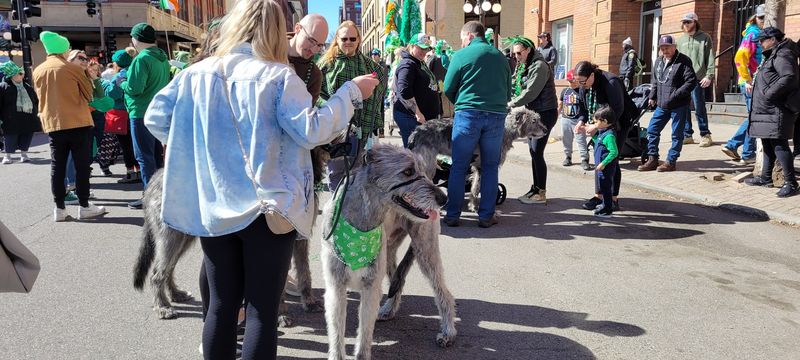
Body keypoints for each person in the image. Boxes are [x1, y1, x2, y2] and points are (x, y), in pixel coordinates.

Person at [143, 0, 379, 357]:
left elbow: (157, 119)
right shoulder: (279, 76)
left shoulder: (196, 74)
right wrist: (351, 94)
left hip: (216, 203)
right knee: (261, 311)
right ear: (278, 30)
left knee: (221, 308)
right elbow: (312, 130)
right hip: (268, 207)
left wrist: (205, 151)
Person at [32, 31, 107, 221]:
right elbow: (89, 95)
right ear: (63, 49)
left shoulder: (38, 70)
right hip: (77, 121)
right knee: (82, 166)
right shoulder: (71, 69)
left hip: (53, 123)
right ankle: (84, 206)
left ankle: (59, 209)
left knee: (57, 167)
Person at [442, 21, 510, 228]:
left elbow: (448, 88)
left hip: (468, 115)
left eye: (463, 38)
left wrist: (462, 102)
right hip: (496, 116)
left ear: (469, 36)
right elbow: (508, 92)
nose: (462, 42)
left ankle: (453, 214)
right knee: (490, 166)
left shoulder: (461, 55)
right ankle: (486, 215)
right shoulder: (500, 56)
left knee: (459, 166)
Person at [317, 20, 387, 188]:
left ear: (358, 40)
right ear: (337, 40)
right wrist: (333, 110)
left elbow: (380, 87)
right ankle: (337, 210)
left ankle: (352, 211)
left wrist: (369, 118)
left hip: (362, 130)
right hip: (335, 131)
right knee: (337, 173)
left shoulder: (370, 65)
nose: (348, 42)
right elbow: (315, 94)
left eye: (352, 39)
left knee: (359, 173)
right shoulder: (325, 65)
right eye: (344, 39)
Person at [572, 61, 637, 212]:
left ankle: (613, 198)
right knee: (600, 159)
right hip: (598, 126)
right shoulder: (584, 86)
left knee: (611, 160)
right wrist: (581, 121)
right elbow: (583, 106)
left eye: (583, 81)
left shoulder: (611, 82)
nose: (581, 85)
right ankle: (598, 196)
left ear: (592, 75)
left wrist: (596, 126)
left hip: (617, 125)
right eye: (578, 81)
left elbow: (617, 109)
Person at [743, 27, 799, 198]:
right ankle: (766, 177)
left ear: (773, 39)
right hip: (767, 110)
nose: (759, 44)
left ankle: (791, 183)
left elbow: (788, 77)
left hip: (776, 109)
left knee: (780, 145)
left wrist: (769, 94)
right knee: (767, 143)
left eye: (762, 40)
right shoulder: (773, 54)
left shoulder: (783, 54)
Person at [505, 35, 558, 205]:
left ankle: (540, 192)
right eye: (514, 54)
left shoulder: (540, 66)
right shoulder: (525, 65)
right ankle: (535, 189)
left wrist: (510, 104)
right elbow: (515, 86)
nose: (516, 57)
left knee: (537, 152)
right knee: (533, 152)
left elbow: (531, 92)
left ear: (528, 50)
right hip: (534, 113)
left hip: (545, 113)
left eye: (519, 53)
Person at [122, 22, 170, 209]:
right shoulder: (162, 58)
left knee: (144, 157)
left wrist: (123, 83)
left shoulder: (142, 59)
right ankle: (161, 194)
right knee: (157, 157)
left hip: (141, 112)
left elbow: (135, 88)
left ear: (136, 39)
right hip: (158, 112)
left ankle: (149, 198)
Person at [638, 34, 697, 172]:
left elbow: (691, 81)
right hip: (662, 104)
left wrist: (675, 95)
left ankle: (671, 161)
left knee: (677, 134)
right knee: (652, 130)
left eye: (668, 47)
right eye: (662, 48)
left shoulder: (683, 61)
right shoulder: (658, 61)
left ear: (674, 47)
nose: (665, 50)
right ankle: (653, 158)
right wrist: (652, 96)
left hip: (679, 105)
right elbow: (655, 80)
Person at [722, 5, 765, 165]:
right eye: (761, 18)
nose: (763, 21)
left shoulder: (755, 33)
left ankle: (743, 152)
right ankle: (738, 148)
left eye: (766, 18)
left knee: (753, 116)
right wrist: (747, 79)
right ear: (755, 18)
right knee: (754, 117)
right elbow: (740, 58)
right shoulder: (754, 34)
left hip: (753, 82)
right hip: (749, 83)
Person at [392, 33, 440, 147]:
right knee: (414, 152)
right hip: (410, 117)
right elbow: (404, 91)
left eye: (426, 49)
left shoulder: (418, 62)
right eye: (420, 48)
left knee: (420, 152)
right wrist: (418, 113)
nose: (424, 52)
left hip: (420, 118)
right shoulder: (408, 64)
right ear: (412, 46)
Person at [677, 12, 716, 147]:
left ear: (695, 22)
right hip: (683, 79)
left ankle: (705, 134)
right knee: (684, 107)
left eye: (688, 22)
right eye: (684, 22)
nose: (686, 24)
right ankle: (687, 134)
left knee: (699, 107)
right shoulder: (680, 40)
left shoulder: (705, 38)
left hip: (698, 78)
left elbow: (710, 57)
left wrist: (709, 75)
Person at [104, 49, 140, 184]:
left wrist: (104, 85)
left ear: (116, 63)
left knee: (126, 146)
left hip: (121, 114)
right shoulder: (134, 71)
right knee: (136, 144)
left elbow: (112, 94)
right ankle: (140, 171)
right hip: (135, 112)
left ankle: (131, 173)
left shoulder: (119, 75)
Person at [0, 62, 40, 164]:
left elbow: (35, 100)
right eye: (20, 73)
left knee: (26, 135)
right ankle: (7, 156)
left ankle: (24, 154)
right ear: (11, 75)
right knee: (10, 136)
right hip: (10, 118)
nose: (23, 75)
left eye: (22, 73)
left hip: (28, 117)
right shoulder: (3, 87)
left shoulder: (27, 86)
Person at [559, 69, 591, 170]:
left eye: (573, 81)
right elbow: (560, 103)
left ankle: (584, 159)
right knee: (566, 139)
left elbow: (585, 107)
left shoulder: (582, 91)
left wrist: (583, 120)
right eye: (569, 81)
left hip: (577, 120)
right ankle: (568, 156)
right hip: (565, 119)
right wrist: (557, 113)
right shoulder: (565, 91)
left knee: (581, 140)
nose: (571, 84)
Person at [591, 105, 619, 217]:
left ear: (605, 121)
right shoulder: (602, 132)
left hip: (605, 167)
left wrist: (603, 163)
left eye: (596, 121)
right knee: (603, 187)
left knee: (606, 188)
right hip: (601, 167)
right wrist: (592, 137)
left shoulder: (609, 136)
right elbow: (599, 143)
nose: (594, 123)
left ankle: (608, 209)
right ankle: (604, 204)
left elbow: (614, 152)